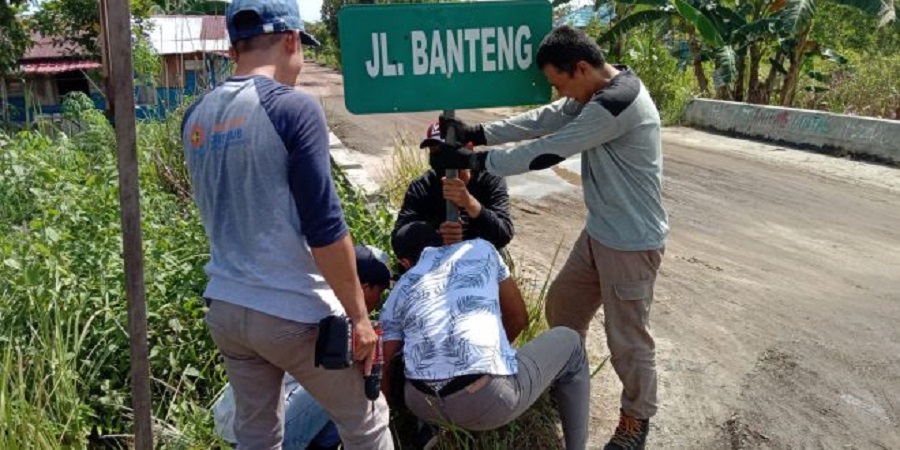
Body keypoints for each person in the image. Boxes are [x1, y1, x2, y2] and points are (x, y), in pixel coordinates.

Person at [427, 26, 668, 450]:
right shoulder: (595, 91)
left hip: (631, 243)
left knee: (628, 340)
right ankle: (567, 379)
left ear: (580, 67)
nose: (561, 94)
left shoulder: (617, 103)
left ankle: (635, 422)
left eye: (560, 83)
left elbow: (550, 149)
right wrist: (478, 134)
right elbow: (546, 119)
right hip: (599, 233)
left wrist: (474, 162)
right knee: (563, 306)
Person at [180, 0, 393, 447]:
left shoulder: (195, 117)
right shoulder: (293, 108)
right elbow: (325, 226)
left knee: (257, 434)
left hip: (227, 309)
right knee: (366, 421)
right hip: (291, 312)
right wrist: (359, 318)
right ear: (292, 40)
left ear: (235, 48)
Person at [380, 222, 590, 450]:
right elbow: (518, 318)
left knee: (414, 348)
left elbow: (385, 365)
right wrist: (489, 359)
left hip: (421, 403)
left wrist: (388, 423)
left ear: (405, 262)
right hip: (486, 400)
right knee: (572, 342)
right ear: (443, 239)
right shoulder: (482, 250)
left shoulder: (402, 286)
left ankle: (434, 429)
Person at [212, 245, 393, 449]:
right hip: (270, 430)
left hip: (240, 425)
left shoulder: (304, 295)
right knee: (349, 390)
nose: (379, 300)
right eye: (380, 291)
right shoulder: (336, 318)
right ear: (363, 287)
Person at [392, 123, 514, 253]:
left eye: (448, 150)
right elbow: (398, 239)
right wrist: (435, 237)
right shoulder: (423, 185)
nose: (442, 158)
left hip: (477, 257)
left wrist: (470, 204)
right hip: (438, 258)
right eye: (435, 151)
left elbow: (504, 234)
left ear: (469, 148)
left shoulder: (490, 179)